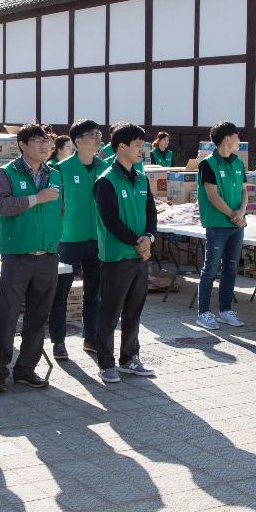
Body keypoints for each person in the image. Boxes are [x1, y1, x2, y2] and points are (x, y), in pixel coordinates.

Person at [0, 124, 62, 392]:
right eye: (38, 141)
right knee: (7, 315)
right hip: (18, 255)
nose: (44, 146)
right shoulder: (7, 173)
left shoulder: (54, 173)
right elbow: (1, 206)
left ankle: (26, 369)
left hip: (47, 254)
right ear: (23, 145)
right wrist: (35, 199)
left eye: (47, 141)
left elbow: (60, 209)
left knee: (39, 316)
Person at [92, 122, 158, 383]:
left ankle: (130, 358)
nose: (143, 150)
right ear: (121, 147)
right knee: (110, 311)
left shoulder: (141, 177)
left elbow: (151, 212)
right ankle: (105, 362)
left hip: (139, 256)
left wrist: (149, 237)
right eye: (138, 145)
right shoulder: (106, 180)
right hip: (117, 256)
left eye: (143, 144)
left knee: (134, 310)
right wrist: (137, 242)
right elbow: (111, 220)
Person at [49, 119, 106, 360]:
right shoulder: (61, 170)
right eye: (92, 134)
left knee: (95, 294)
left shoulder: (105, 168)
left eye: (99, 133)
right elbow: (53, 208)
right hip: (68, 240)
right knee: (60, 293)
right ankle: (59, 341)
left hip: (98, 239)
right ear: (78, 141)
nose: (98, 137)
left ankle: (91, 339)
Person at [196, 121, 247, 330]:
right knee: (211, 268)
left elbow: (245, 191)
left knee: (231, 267)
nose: (239, 141)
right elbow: (212, 195)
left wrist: (241, 212)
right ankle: (203, 312)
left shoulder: (238, 163)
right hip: (218, 224)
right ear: (227, 138)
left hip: (237, 223)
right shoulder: (207, 164)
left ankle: (225, 310)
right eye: (237, 136)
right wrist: (232, 215)